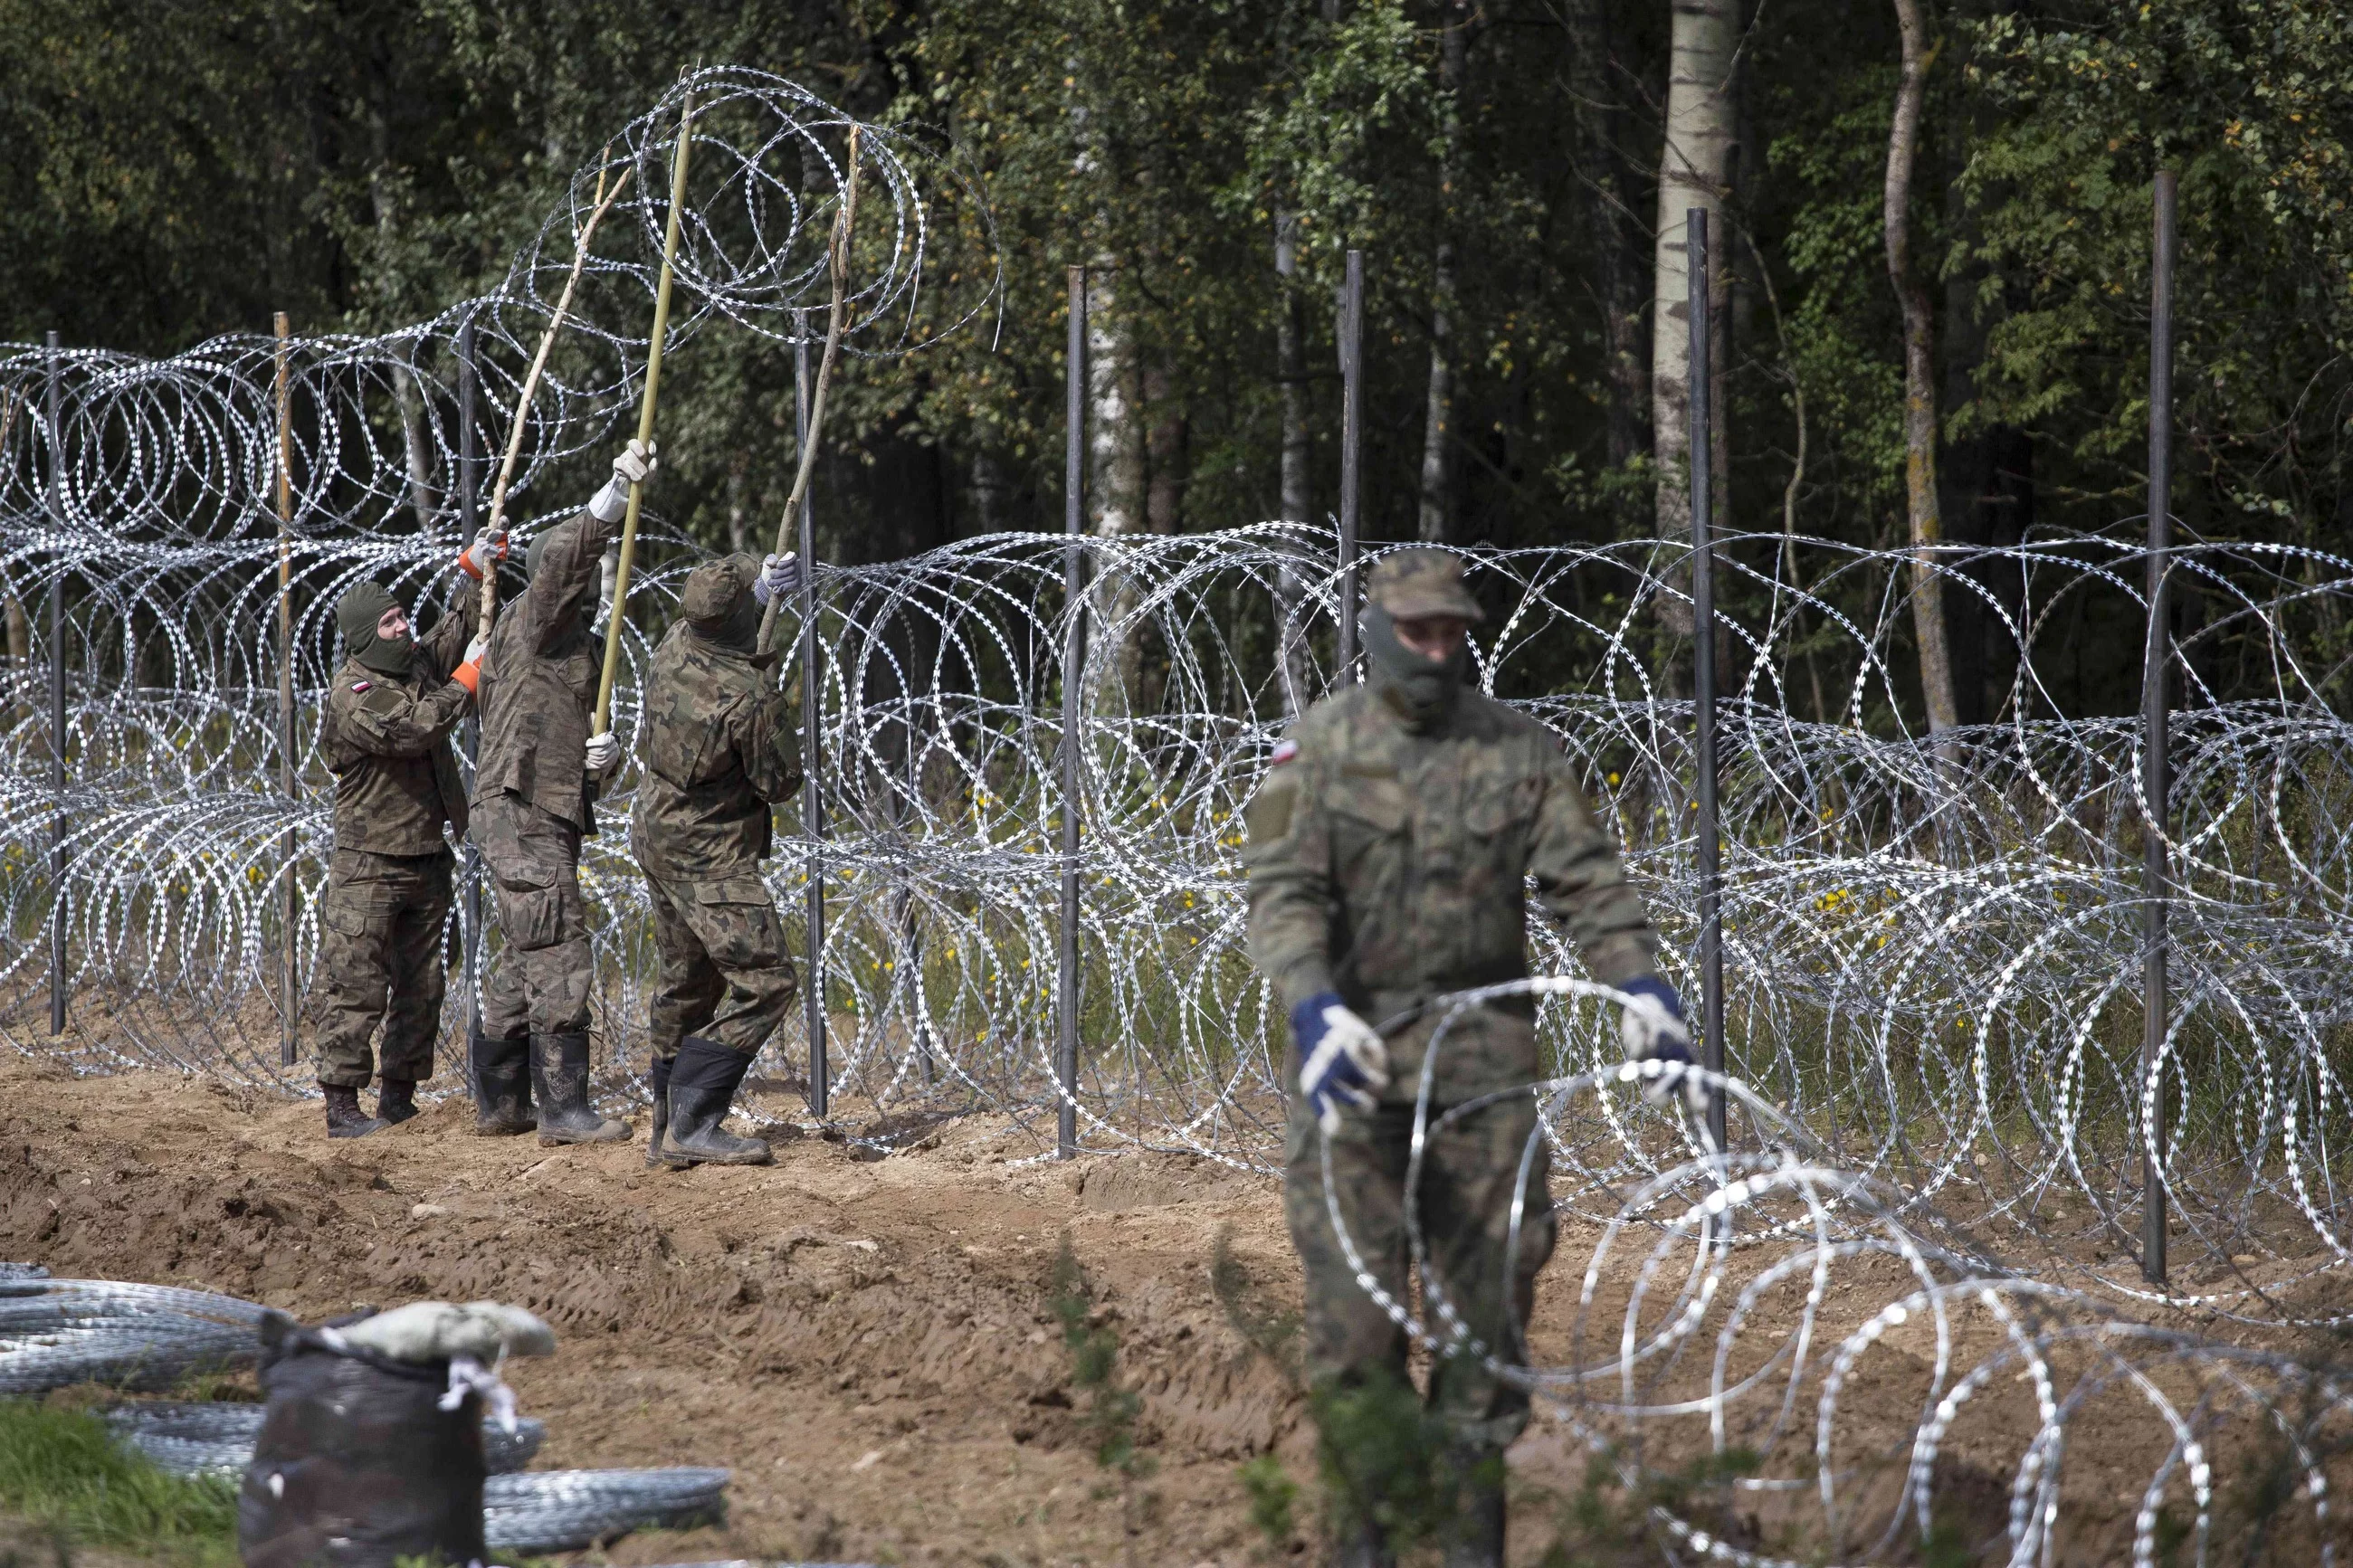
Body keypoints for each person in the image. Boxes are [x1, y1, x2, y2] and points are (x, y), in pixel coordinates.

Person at [1243, 549, 1699, 1568]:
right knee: (1357, 1326)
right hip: (1352, 1069)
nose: (1437, 650)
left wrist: (1639, 982)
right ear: (1376, 631)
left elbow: (1587, 881)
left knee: (1486, 1313)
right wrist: (1312, 1003)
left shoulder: (1519, 751)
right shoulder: (1314, 751)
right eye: (1417, 632)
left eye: (1452, 632)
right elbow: (1279, 892)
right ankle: (1364, 1542)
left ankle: (1468, 1544)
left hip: (1483, 1071)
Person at [468, 439, 654, 1145]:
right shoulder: (535, 621)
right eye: (595, 567)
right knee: (560, 951)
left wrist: (594, 766)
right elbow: (561, 565)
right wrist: (610, 500)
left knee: (524, 957)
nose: (601, 576)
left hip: (543, 806)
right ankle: (564, 1110)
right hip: (520, 812)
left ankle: (503, 1101)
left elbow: (546, 730)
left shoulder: (572, 643)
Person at [314, 544, 499, 1138]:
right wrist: (469, 677)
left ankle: (398, 1095)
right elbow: (417, 725)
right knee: (356, 983)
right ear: (366, 638)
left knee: (423, 984)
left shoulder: (412, 665)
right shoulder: (356, 694)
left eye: (402, 616)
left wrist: (475, 571)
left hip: (425, 855)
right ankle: (341, 1104)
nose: (405, 627)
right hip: (370, 863)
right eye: (391, 623)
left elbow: (459, 628)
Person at [632, 550, 805, 1167]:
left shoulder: (673, 644)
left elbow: (715, 615)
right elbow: (780, 783)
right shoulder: (747, 695)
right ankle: (695, 1119)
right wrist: (783, 713)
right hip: (711, 853)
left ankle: (664, 1126)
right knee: (767, 980)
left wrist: (758, 586)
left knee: (686, 981)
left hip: (657, 834)